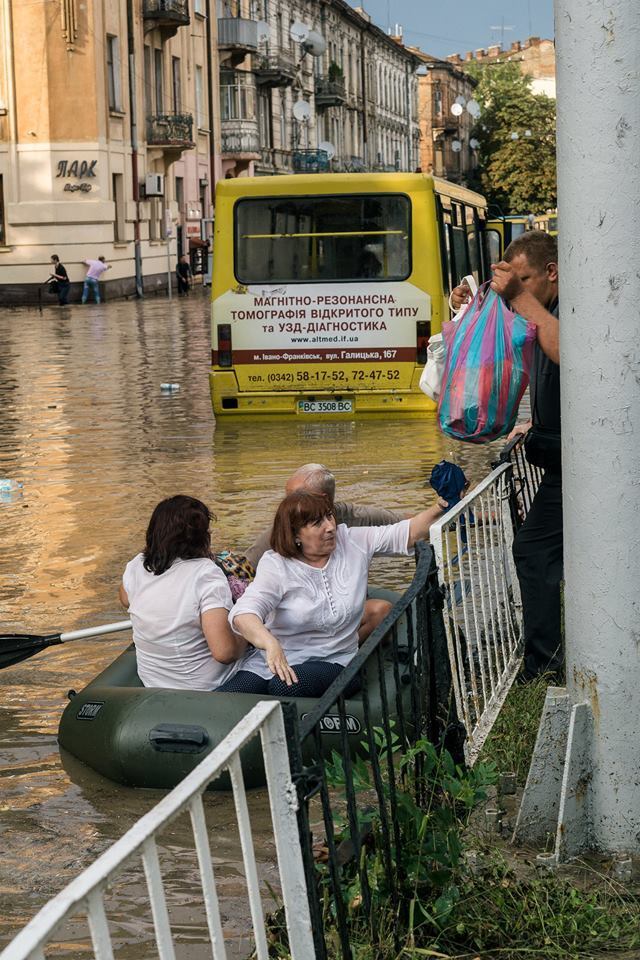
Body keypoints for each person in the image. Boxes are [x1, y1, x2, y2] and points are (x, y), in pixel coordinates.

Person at [452, 231, 561, 681]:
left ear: (552, 273)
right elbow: (495, 342)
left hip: (586, 464)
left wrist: (518, 296)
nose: (521, 289)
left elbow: (576, 353)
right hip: (560, 458)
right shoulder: (537, 311)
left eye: (528, 278)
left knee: (533, 551)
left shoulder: (563, 307)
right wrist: (466, 305)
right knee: (539, 553)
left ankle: (544, 667)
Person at [218, 489, 448, 698]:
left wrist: (441, 506)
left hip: (335, 660)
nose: (330, 527)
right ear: (295, 534)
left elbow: (408, 532)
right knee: (226, 696)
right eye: (317, 522)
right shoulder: (276, 564)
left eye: (330, 516)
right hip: (276, 661)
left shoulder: (352, 541)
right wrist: (270, 644)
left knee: (283, 687)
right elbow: (245, 613)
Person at [118, 495, 247, 691]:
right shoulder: (206, 573)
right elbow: (224, 652)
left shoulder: (137, 565)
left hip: (153, 682)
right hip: (206, 686)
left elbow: (125, 599)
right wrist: (247, 631)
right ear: (201, 536)